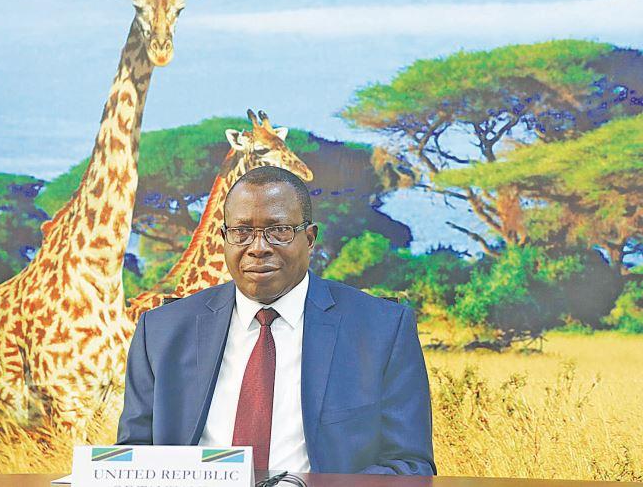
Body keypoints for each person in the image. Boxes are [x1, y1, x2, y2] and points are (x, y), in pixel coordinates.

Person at [117, 166, 435, 475]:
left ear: (309, 238)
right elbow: (131, 461)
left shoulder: (382, 330)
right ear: (224, 237)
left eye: (279, 231)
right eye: (242, 232)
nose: (258, 248)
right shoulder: (160, 332)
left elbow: (410, 466)